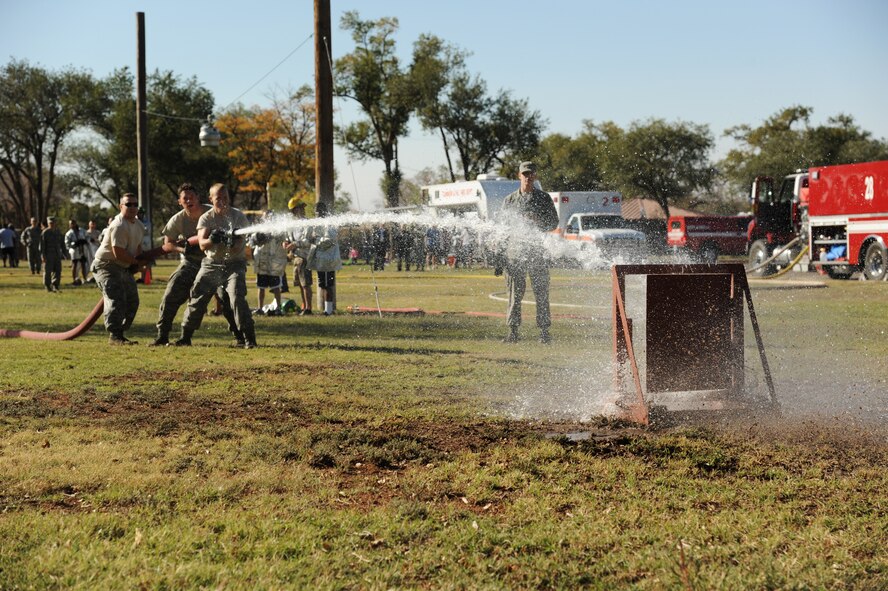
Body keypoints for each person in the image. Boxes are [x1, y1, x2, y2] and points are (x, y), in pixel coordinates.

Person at [150, 183, 239, 346]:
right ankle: (162, 336)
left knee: (228, 299)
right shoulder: (178, 219)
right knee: (171, 293)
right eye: (185, 198)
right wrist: (182, 249)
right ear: (180, 201)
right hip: (191, 263)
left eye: (192, 197)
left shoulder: (211, 212)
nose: (189, 200)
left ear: (198, 198)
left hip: (215, 263)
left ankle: (240, 337)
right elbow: (167, 243)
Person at [174, 183, 257, 348]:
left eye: (225, 197)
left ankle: (249, 339)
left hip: (234, 264)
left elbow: (238, 246)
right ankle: (185, 337)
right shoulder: (206, 218)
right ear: (211, 199)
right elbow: (202, 244)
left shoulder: (238, 216)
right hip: (211, 264)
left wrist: (230, 241)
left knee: (236, 296)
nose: (223, 201)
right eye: (219, 198)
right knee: (197, 297)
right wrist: (212, 239)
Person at [498, 161, 559, 344]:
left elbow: (554, 223)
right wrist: (500, 258)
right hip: (514, 254)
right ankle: (513, 331)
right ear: (519, 176)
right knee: (514, 294)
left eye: (531, 174)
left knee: (541, 292)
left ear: (535, 176)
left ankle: (544, 332)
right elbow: (502, 230)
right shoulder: (509, 200)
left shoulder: (544, 198)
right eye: (525, 174)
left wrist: (538, 221)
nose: (528, 177)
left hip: (536, 253)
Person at [90, 194, 146, 345]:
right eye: (129, 205)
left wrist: (140, 261)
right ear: (121, 206)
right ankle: (115, 335)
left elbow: (138, 247)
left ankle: (120, 332)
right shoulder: (119, 225)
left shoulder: (139, 226)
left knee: (132, 300)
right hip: (106, 265)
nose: (133, 207)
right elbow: (118, 252)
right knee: (117, 297)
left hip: (122, 266)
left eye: (135, 205)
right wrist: (136, 262)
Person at [249, 211, 288, 316]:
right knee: (260, 287)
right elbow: (251, 242)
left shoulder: (278, 229)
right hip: (262, 262)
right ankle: (260, 308)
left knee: (276, 287)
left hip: (274, 263)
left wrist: (272, 235)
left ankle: (278, 308)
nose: (268, 219)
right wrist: (256, 238)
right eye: (266, 217)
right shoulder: (258, 229)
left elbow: (283, 239)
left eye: (270, 217)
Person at [308, 202, 342, 316]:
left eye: (319, 211)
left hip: (328, 260)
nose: (317, 214)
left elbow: (329, 240)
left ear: (323, 211)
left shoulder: (329, 223)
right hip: (321, 261)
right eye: (316, 211)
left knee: (328, 286)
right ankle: (326, 310)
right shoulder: (317, 224)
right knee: (323, 285)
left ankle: (328, 310)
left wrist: (315, 241)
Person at [283, 198, 313, 315]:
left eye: (302, 207)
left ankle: (308, 308)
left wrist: (294, 244)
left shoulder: (307, 223)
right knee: (300, 284)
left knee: (305, 284)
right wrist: (285, 242)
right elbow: (287, 237)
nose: (302, 210)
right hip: (295, 258)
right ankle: (304, 305)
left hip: (304, 257)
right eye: (300, 208)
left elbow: (307, 241)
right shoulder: (291, 224)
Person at [39, 217, 65, 292]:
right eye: (50, 223)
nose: (52, 224)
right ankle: (47, 286)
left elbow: (62, 243)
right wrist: (42, 256)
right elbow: (42, 246)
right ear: (48, 223)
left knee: (58, 270)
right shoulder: (45, 232)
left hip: (57, 254)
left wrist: (64, 253)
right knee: (48, 271)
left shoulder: (58, 232)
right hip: (48, 254)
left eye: (53, 223)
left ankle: (55, 285)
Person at [64, 219, 89, 285]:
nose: (72, 225)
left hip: (83, 249)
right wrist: (74, 243)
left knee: (83, 264)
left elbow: (87, 237)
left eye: (73, 223)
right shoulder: (69, 233)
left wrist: (85, 241)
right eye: (70, 224)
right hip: (74, 250)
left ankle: (84, 279)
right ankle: (74, 279)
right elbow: (67, 244)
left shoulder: (82, 231)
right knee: (74, 265)